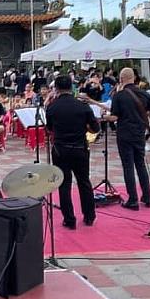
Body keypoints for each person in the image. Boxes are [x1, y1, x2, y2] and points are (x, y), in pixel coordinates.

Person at [44, 75, 100, 229]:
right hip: (80, 148)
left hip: (60, 149)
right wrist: (85, 127)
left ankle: (69, 219)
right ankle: (89, 216)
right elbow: (95, 128)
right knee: (84, 182)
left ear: (56, 89)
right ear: (72, 88)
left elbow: (49, 128)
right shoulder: (82, 106)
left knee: (64, 184)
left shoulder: (52, 107)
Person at [106, 68, 150, 210]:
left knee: (128, 166)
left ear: (121, 79)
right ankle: (147, 197)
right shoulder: (145, 94)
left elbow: (115, 117)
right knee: (140, 164)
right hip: (139, 133)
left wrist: (104, 117)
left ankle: (133, 199)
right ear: (134, 78)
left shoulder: (119, 96)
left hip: (124, 134)